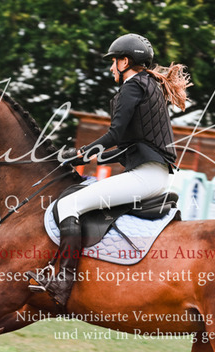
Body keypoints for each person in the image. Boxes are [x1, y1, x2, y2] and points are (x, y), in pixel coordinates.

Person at [27, 33, 191, 308]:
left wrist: (81, 153)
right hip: (152, 173)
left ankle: (62, 281)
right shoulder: (149, 85)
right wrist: (81, 157)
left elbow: (114, 135)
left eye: (114, 61)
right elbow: (127, 146)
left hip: (146, 176)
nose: (111, 67)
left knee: (69, 204)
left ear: (125, 62)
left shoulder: (133, 87)